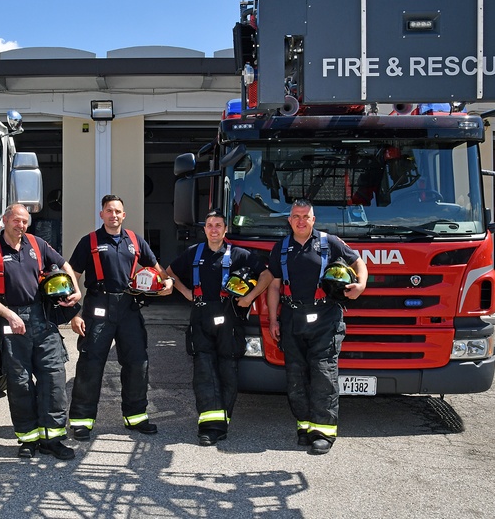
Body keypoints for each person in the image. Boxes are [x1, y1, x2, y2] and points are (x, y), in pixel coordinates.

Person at [0, 204, 82, 460]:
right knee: (20, 384)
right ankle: (28, 439)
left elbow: (64, 264)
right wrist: (9, 315)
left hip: (42, 319)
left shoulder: (37, 244)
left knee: (53, 380)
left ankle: (53, 439)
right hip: (12, 320)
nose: (20, 225)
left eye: (24, 221)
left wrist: (75, 289)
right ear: (4, 220)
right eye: (16, 220)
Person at [67, 194, 174, 441]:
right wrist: (74, 311)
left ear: (123, 215)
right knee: (90, 364)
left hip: (128, 307)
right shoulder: (89, 242)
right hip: (98, 307)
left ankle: (135, 416)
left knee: (137, 363)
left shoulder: (135, 241)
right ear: (101, 214)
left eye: (118, 211)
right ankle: (82, 421)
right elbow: (72, 274)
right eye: (109, 211)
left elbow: (158, 269)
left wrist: (167, 282)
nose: (113, 215)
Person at [266, 199, 367, 455]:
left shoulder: (329, 243)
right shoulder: (281, 248)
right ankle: (304, 426)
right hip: (292, 317)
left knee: (323, 374)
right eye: (296, 216)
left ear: (313, 220)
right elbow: (275, 286)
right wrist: (273, 320)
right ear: (289, 220)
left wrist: (361, 286)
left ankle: (323, 432)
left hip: (325, 317)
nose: (301, 220)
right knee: (296, 375)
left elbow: (359, 263)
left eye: (306, 216)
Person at [167, 209, 273, 446]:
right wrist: (186, 292)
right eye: (209, 225)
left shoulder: (239, 254)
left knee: (227, 369)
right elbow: (169, 273)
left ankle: (222, 422)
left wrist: (249, 298)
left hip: (229, 318)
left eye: (218, 225)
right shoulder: (193, 253)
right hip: (201, 316)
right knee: (204, 370)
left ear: (225, 230)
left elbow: (266, 275)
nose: (213, 229)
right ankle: (209, 426)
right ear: (204, 229)